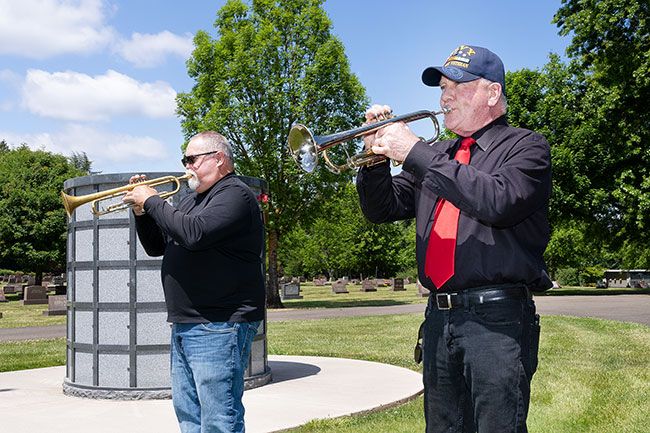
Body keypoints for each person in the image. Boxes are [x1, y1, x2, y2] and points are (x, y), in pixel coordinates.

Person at [356, 45, 551, 433]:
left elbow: (496, 201)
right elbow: (382, 208)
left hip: (497, 320)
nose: (444, 97)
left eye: (457, 86)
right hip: (439, 318)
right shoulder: (439, 154)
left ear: (492, 94)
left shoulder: (527, 147)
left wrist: (414, 151)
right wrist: (374, 158)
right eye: (442, 87)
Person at [122, 131, 265, 433]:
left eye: (191, 159)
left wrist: (151, 200)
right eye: (184, 160)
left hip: (219, 323)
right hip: (188, 323)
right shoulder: (191, 200)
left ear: (219, 159)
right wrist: (142, 212)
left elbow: (194, 234)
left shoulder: (235, 195)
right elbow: (156, 246)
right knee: (189, 418)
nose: (186, 167)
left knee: (218, 420)